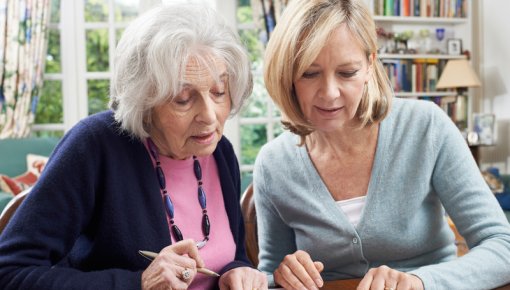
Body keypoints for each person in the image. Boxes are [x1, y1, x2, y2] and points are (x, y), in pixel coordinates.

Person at [0, 2, 267, 290]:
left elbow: (232, 256)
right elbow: (10, 272)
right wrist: (137, 283)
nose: (210, 115)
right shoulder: (94, 146)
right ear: (144, 101)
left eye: (219, 92)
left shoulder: (220, 152)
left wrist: (238, 271)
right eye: (183, 99)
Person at [253, 0, 510, 289]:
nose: (329, 93)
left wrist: (420, 281)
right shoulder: (273, 163)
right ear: (288, 75)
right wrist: (280, 275)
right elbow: (269, 274)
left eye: (347, 72)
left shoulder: (426, 127)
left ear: (369, 66)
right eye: (309, 73)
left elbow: (502, 246)